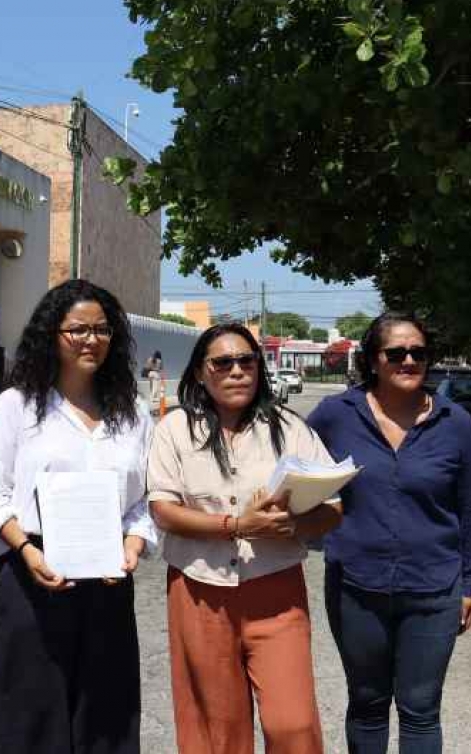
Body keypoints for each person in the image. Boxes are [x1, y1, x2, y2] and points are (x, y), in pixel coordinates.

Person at [0, 279, 156, 753]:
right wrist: (26, 550)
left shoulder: (133, 413)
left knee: (107, 716)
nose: (91, 339)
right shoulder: (17, 406)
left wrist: (133, 545)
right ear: (52, 334)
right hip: (33, 574)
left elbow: (143, 500)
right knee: (31, 714)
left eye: (102, 329)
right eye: (78, 329)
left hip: (109, 576)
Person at [147, 322, 342, 754]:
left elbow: (333, 508)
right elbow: (162, 510)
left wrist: (295, 525)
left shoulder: (289, 428)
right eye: (223, 363)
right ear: (201, 372)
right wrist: (237, 526)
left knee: (293, 724)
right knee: (216, 729)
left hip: (277, 592)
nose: (236, 371)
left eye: (246, 361)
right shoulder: (175, 429)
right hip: (199, 592)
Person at [306, 311, 471, 754]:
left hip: (434, 589)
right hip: (356, 587)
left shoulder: (454, 422)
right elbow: (289, 461)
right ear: (374, 359)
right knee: (367, 702)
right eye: (396, 353)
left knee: (421, 708)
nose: (409, 361)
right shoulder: (337, 415)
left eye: (418, 353)